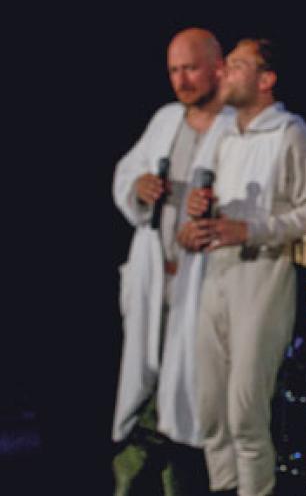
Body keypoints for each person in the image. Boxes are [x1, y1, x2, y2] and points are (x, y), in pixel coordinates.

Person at [180, 37, 306, 496]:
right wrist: (193, 223)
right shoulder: (225, 136)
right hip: (216, 278)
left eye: (235, 65)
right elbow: (212, 213)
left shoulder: (293, 134)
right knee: (210, 411)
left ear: (266, 79)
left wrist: (251, 229)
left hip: (263, 280)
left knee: (245, 414)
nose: (223, 73)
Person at [111, 27, 236, 494]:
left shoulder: (236, 126)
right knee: (150, 383)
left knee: (197, 397)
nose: (181, 80)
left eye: (190, 68)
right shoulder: (165, 120)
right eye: (173, 70)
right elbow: (125, 173)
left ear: (217, 67)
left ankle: (185, 479)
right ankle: (146, 475)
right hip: (155, 280)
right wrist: (137, 186)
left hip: (205, 283)